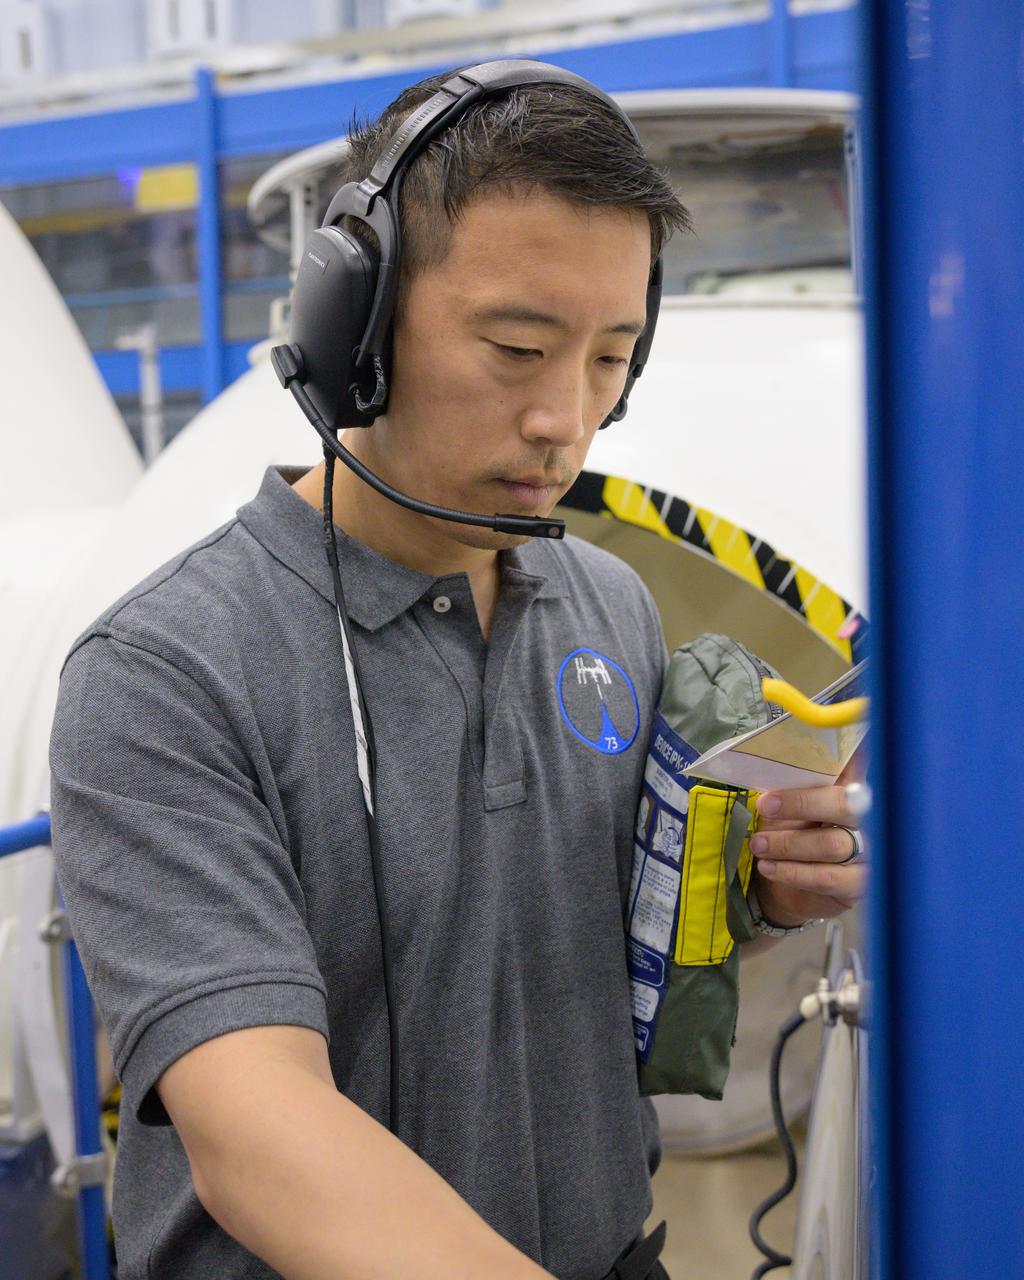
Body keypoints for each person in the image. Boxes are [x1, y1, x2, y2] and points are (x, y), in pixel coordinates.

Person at [48, 62, 866, 1280]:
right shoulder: (168, 673)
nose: (565, 418)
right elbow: (256, 1129)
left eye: (609, 358)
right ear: (356, 329)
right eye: (518, 347)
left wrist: (746, 893)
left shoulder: (610, 607)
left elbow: (587, 956)